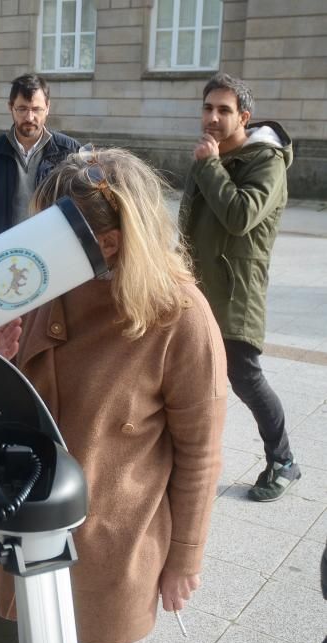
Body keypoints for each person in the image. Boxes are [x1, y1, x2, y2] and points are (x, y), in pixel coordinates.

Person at [0, 148, 227, 643]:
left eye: (64, 236)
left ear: (117, 239)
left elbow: (201, 452)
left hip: (108, 545)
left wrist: (185, 555)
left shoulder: (179, 315)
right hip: (13, 528)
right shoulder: (38, 279)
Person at [180, 72, 299, 502]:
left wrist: (210, 165)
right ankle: (187, 456)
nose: (212, 117)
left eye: (223, 110)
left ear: (243, 116)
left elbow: (241, 215)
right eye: (208, 107)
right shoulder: (207, 158)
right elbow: (190, 224)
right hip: (197, 288)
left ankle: (283, 459)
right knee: (187, 373)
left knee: (245, 376)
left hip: (235, 292)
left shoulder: (265, 162)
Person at [0, 73, 80, 252]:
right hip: (5, 252)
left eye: (36, 109)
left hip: (53, 251)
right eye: (22, 109)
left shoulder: (68, 152)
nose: (29, 117)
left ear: (47, 108)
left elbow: (82, 208)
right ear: (10, 107)